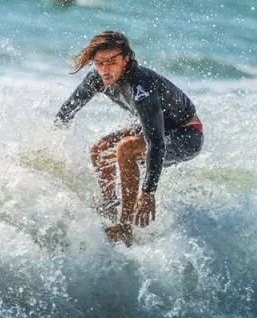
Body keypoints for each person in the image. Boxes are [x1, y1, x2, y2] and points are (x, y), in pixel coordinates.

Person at [54, 31, 204, 246]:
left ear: (126, 60)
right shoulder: (97, 78)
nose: (105, 69)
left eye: (112, 62)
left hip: (186, 134)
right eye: (99, 63)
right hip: (155, 128)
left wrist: (148, 192)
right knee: (101, 149)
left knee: (126, 149)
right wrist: (52, 141)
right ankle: (109, 205)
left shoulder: (141, 87)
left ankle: (125, 227)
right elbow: (66, 111)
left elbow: (157, 143)